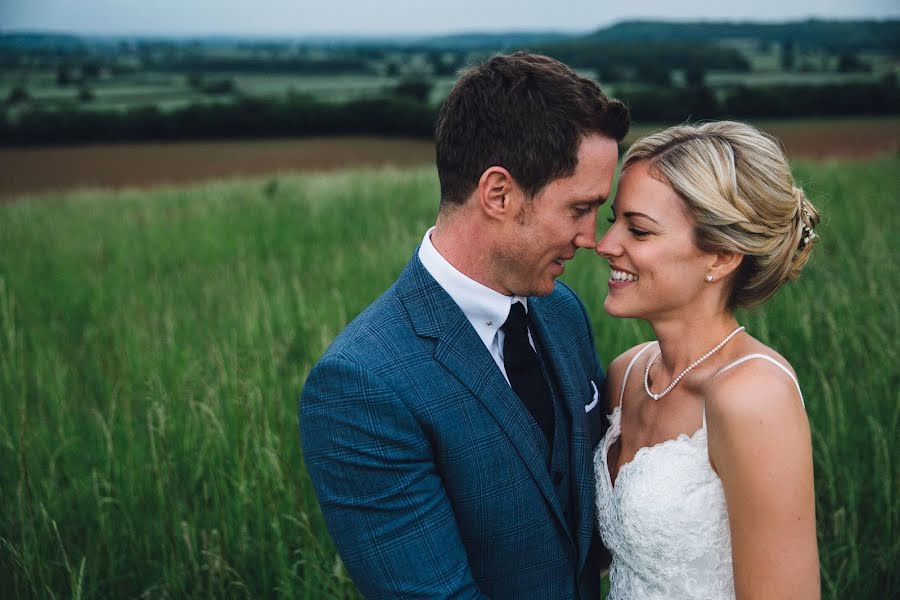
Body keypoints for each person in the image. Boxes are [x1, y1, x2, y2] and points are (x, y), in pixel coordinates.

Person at [300, 52, 629, 599]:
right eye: (578, 209)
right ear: (498, 193)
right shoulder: (360, 386)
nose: (591, 237)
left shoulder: (562, 311)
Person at [594, 121, 821, 599]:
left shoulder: (753, 397)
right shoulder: (627, 374)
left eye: (638, 229)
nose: (606, 244)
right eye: (614, 220)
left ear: (721, 256)